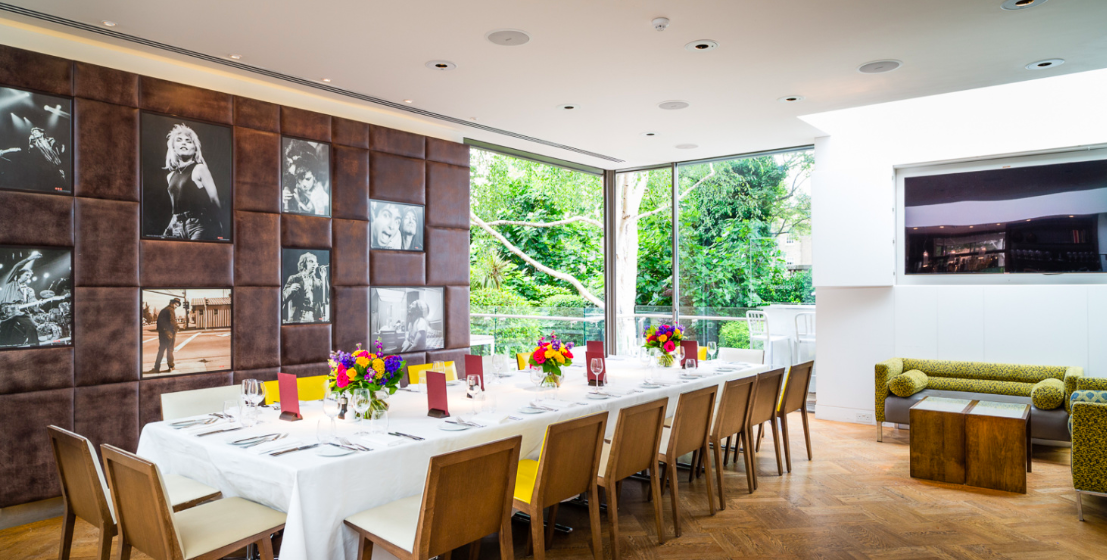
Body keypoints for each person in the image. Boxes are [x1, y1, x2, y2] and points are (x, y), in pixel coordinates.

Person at [161, 124, 224, 240]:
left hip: (198, 225)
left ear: (195, 148)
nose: (184, 143)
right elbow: (176, 207)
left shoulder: (200, 168)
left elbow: (214, 199)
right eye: (179, 140)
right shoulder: (170, 176)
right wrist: (170, 226)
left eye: (188, 141)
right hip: (176, 226)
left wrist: (220, 226)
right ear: (173, 147)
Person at [0, 252, 43, 347]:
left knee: (32, 327)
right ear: (20, 275)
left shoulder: (28, 289)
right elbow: (16, 266)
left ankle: (35, 348)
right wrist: (30, 258)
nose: (28, 278)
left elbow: (32, 300)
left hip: (22, 310)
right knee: (5, 332)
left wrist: (38, 304)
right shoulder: (11, 281)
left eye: (30, 276)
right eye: (27, 275)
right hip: (8, 309)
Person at [283, 252, 329, 322]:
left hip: (315, 317)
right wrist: (290, 289)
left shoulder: (318, 282)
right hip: (298, 317)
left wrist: (324, 277)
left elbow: (326, 295)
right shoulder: (294, 278)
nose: (314, 264)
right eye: (311, 261)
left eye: (315, 263)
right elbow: (283, 296)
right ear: (303, 264)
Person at [150, 298, 181, 373]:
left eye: (178, 305)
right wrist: (177, 328)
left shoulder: (164, 310)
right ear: (172, 303)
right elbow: (172, 321)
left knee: (161, 350)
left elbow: (159, 322)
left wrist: (161, 331)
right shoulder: (171, 310)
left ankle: (156, 368)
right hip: (169, 333)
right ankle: (171, 366)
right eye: (176, 304)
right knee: (170, 350)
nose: (176, 306)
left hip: (162, 334)